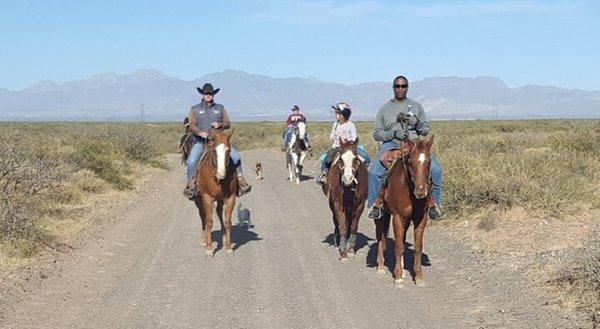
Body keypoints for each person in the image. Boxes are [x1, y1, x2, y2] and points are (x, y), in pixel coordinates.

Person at [367, 76, 443, 220]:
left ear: (407, 87)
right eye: (397, 86)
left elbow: (425, 130)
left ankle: (435, 204)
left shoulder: (416, 106)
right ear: (393, 88)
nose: (400, 89)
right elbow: (377, 133)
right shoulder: (384, 109)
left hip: (414, 145)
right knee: (374, 171)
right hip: (391, 144)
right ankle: (375, 204)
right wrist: (393, 133)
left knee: (436, 170)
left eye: (403, 86)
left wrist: (417, 123)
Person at [182, 83, 252, 198]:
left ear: (213, 94)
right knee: (191, 160)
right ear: (202, 94)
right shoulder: (195, 109)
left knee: (235, 156)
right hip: (201, 141)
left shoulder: (220, 108)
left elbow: (228, 123)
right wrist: (200, 132)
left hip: (218, 141)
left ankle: (240, 181)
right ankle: (191, 185)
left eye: (210, 93)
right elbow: (192, 125)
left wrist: (220, 124)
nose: (208, 95)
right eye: (206, 93)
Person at [317, 102, 371, 185]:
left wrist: (348, 141)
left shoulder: (351, 125)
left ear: (344, 115)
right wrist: (334, 139)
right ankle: (324, 173)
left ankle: (367, 173)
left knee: (365, 157)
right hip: (337, 147)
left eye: (337, 113)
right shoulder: (335, 124)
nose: (336, 115)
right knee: (327, 158)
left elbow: (354, 137)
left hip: (349, 147)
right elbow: (332, 135)